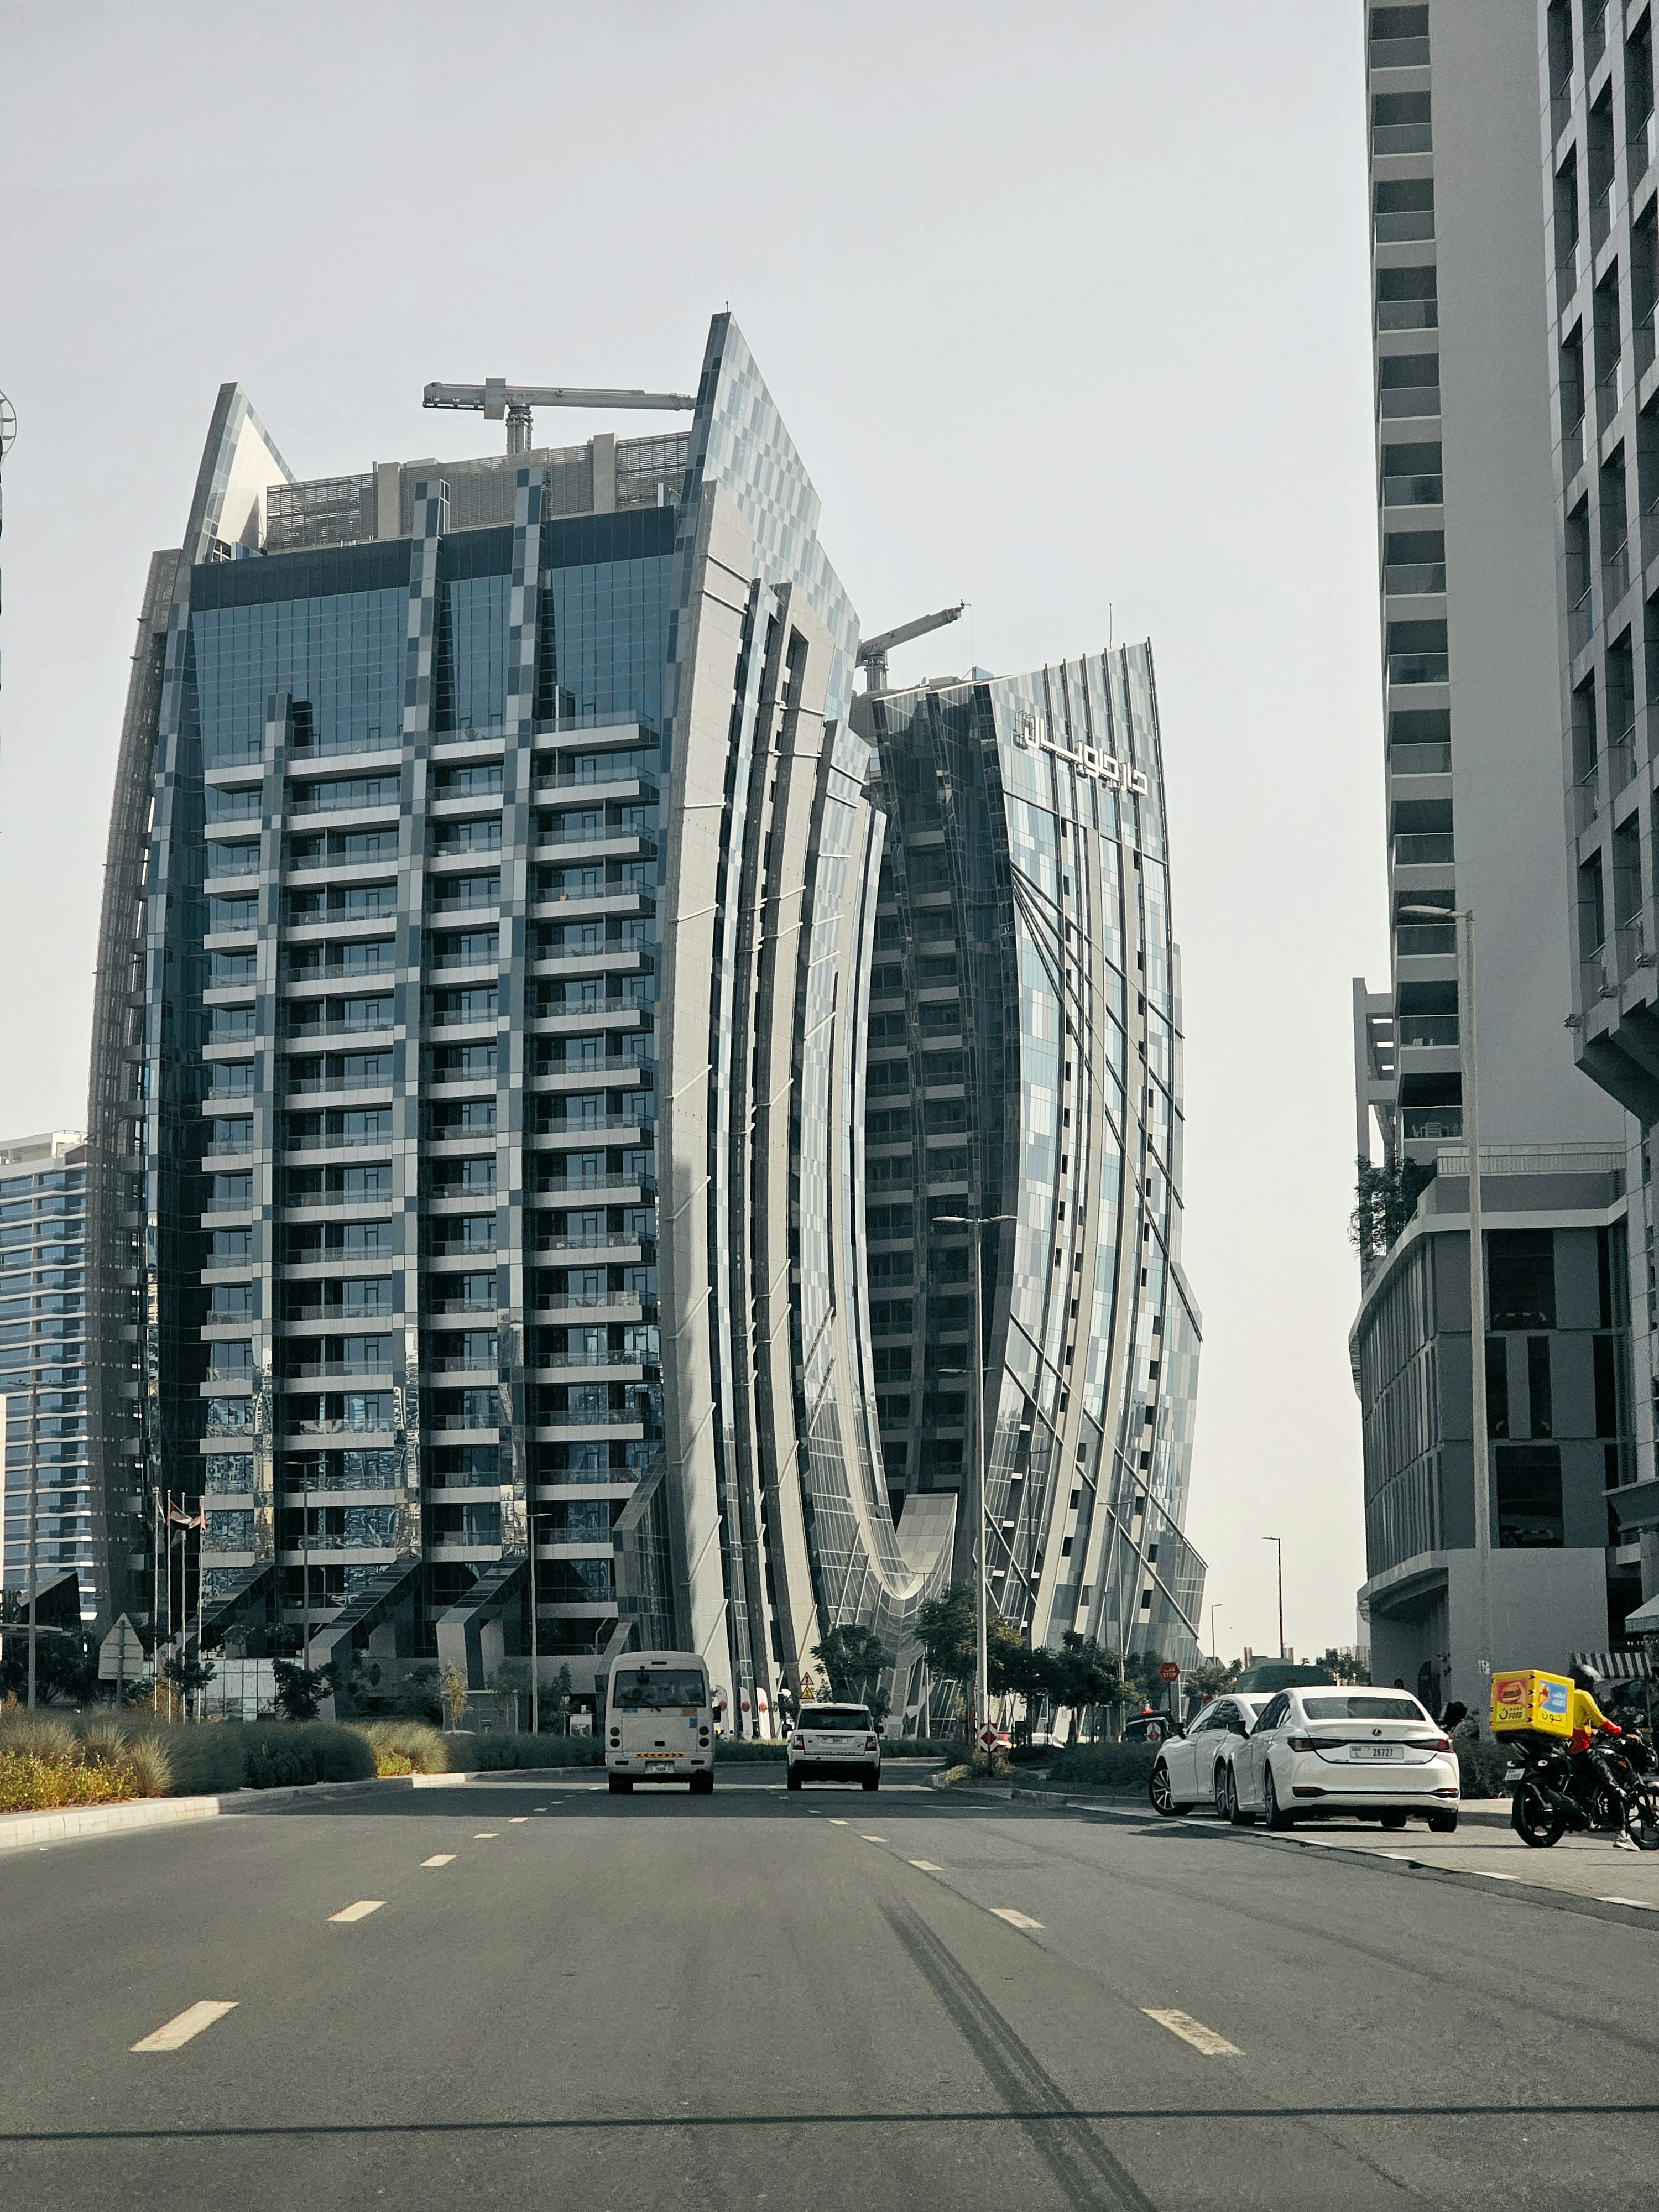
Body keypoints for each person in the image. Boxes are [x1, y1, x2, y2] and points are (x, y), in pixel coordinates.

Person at [1569, 1666, 1639, 1852]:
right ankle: (1622, 1835)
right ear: (1586, 1682)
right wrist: (1621, 1733)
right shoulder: (1582, 1696)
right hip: (1580, 1749)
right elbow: (1600, 1720)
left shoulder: (1562, 1696)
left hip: (1563, 1747)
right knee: (1613, 1787)